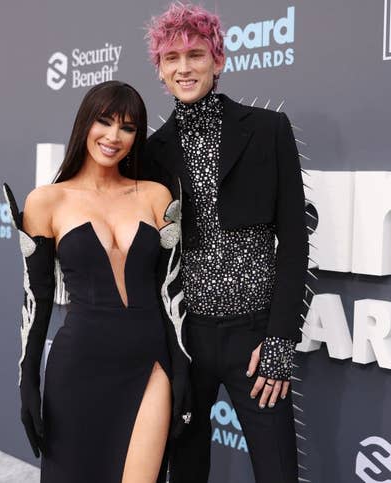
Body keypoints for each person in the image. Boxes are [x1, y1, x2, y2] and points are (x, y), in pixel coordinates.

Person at [144, 4, 309, 482]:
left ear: (217, 61)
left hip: (256, 336)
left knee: (278, 471)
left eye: (195, 54)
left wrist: (279, 338)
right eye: (171, 58)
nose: (184, 67)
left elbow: (294, 239)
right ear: (160, 70)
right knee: (186, 471)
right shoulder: (152, 152)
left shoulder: (267, 130)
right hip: (186, 338)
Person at [3, 80, 190, 483]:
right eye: (104, 121)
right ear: (85, 123)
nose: (113, 136)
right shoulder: (47, 201)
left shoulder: (156, 196)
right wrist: (27, 381)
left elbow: (171, 292)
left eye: (127, 127)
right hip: (78, 367)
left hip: (149, 363)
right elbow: (36, 298)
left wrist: (183, 371)